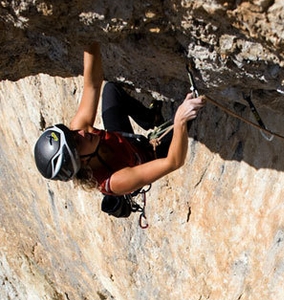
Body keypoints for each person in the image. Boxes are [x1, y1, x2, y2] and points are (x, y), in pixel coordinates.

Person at [34, 42, 205, 196]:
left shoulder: (81, 130)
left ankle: (152, 117)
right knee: (190, 110)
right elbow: (173, 162)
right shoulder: (115, 180)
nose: (81, 133)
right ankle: (172, 121)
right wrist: (180, 120)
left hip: (126, 142)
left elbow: (92, 83)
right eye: (77, 143)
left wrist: (88, 38)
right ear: (82, 162)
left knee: (111, 90)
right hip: (149, 157)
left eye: (73, 134)